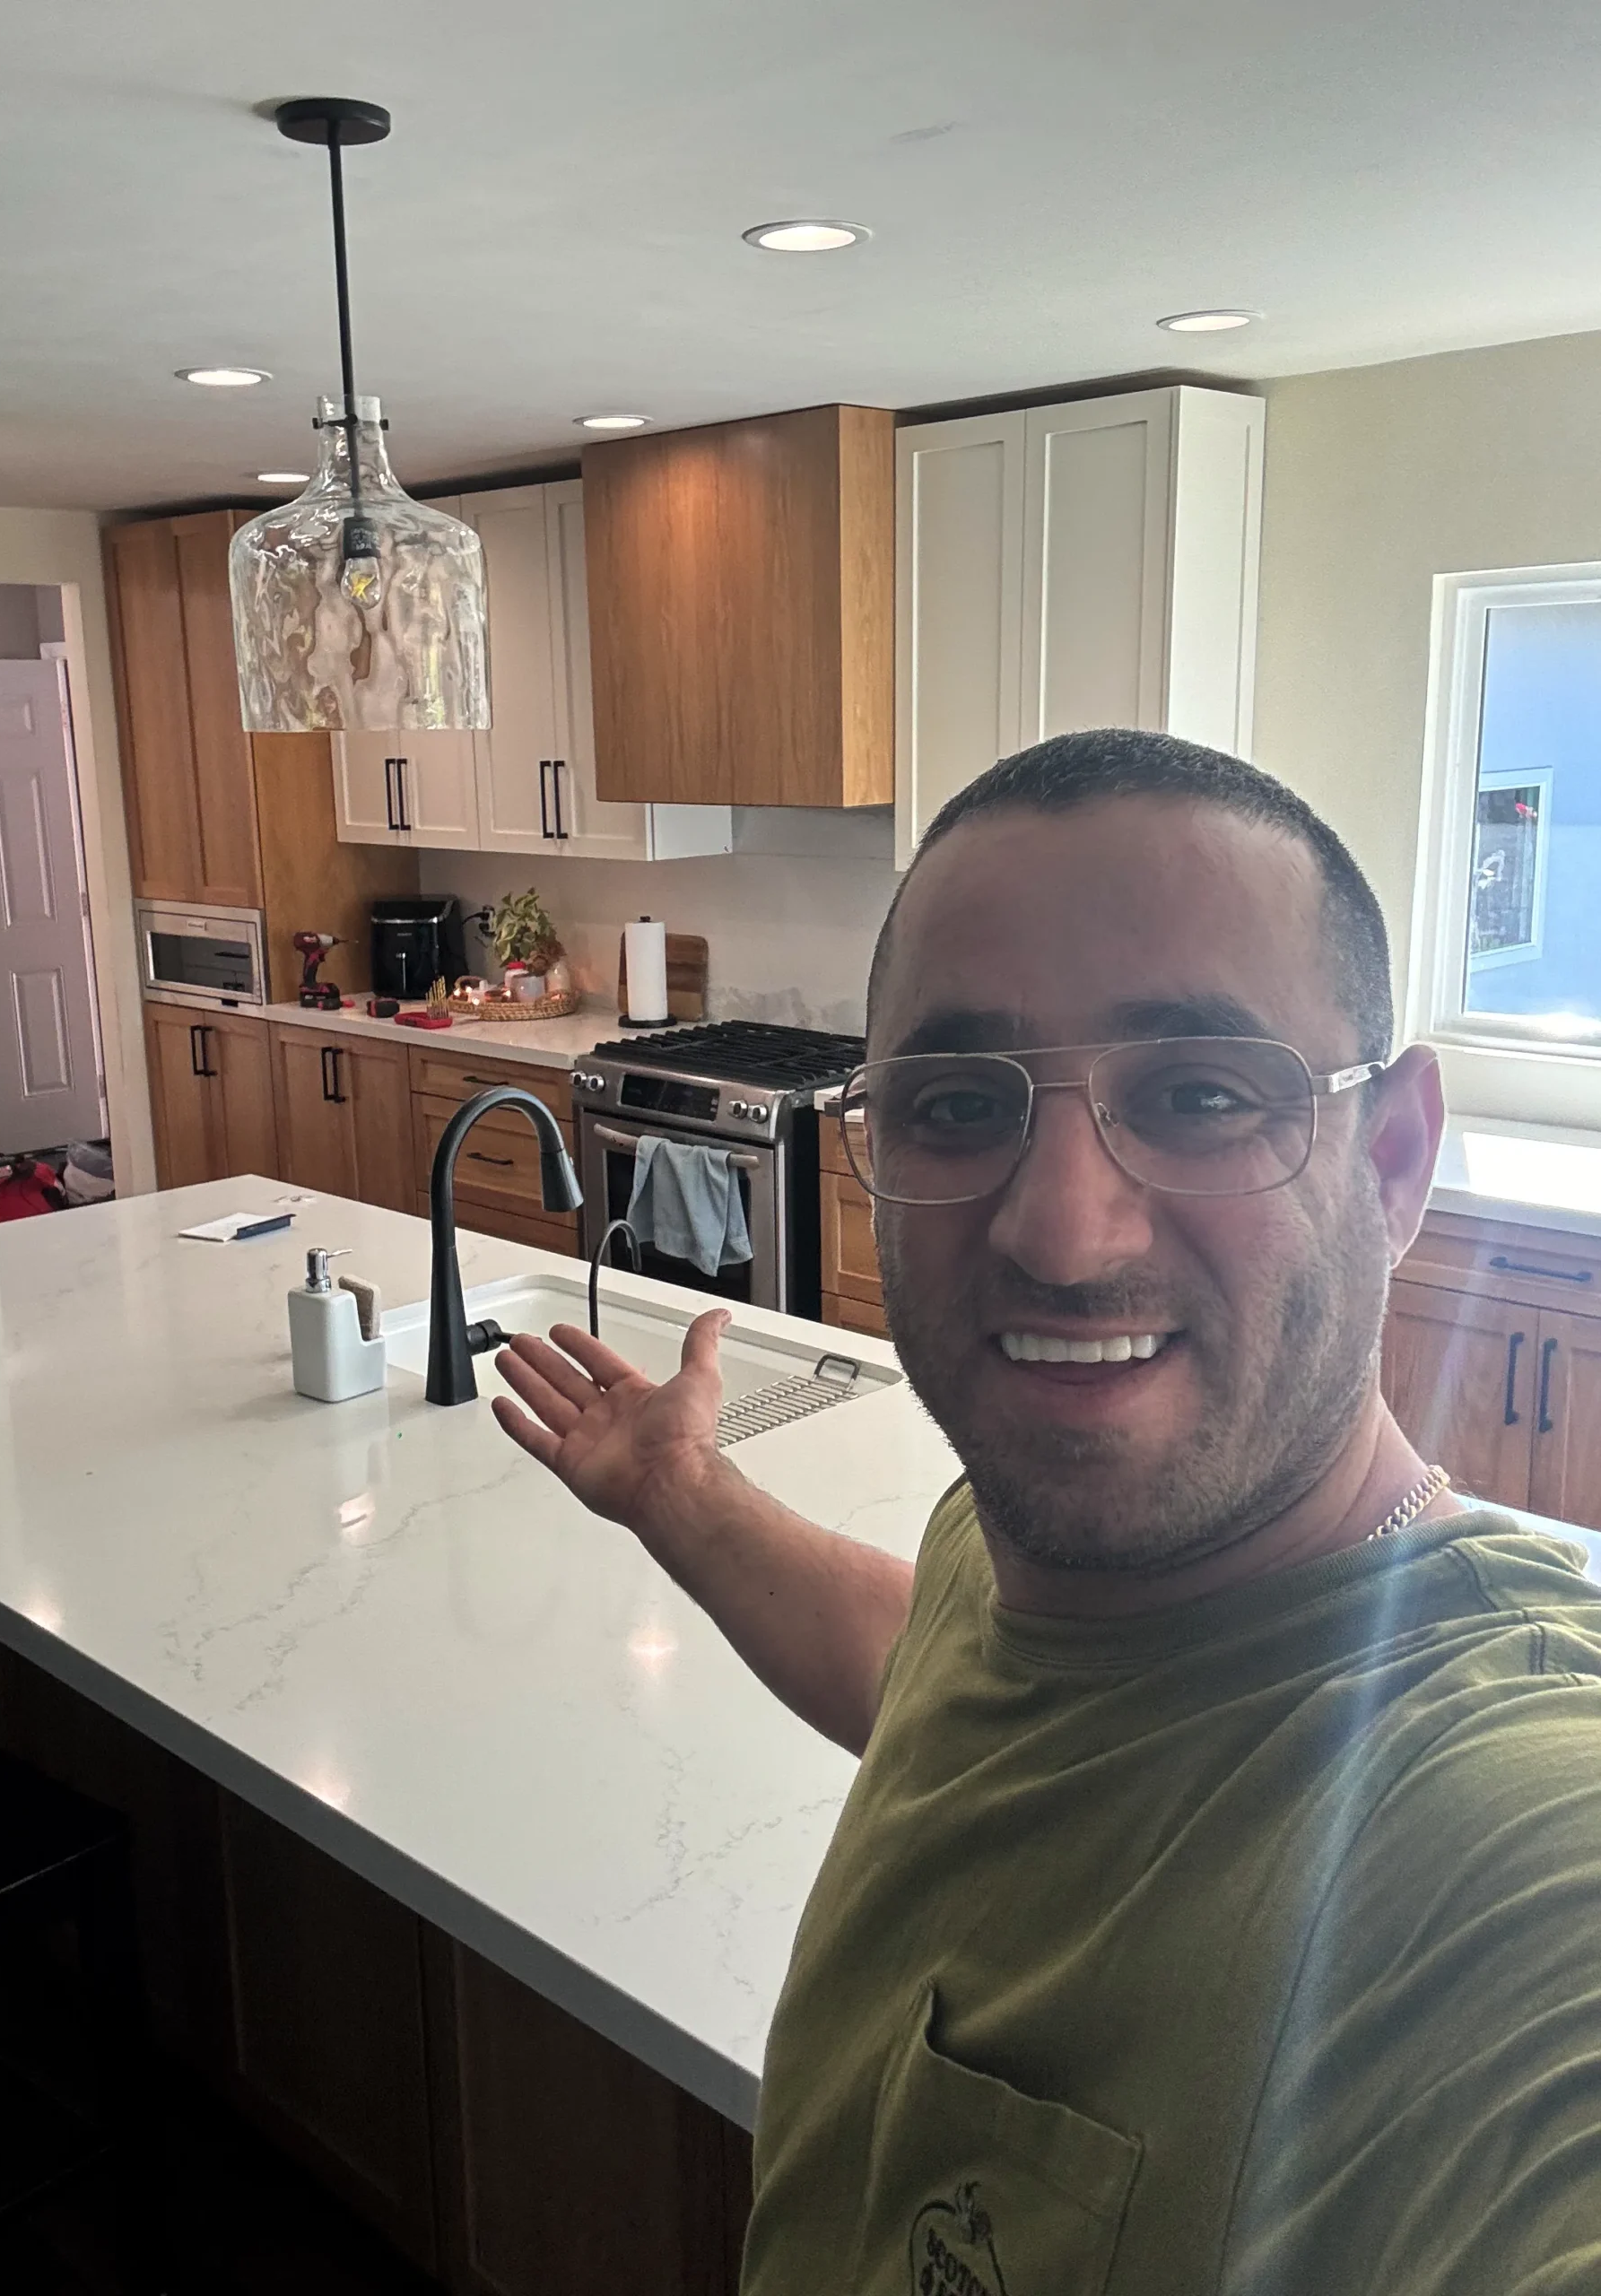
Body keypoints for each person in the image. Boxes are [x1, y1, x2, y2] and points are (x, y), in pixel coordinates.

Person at [492, 729, 1601, 2295]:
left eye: (1200, 1094)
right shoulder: (1013, 1547)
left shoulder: (1506, 1840)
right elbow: (946, 1683)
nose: (1066, 1235)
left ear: (1396, 1159)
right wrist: (683, 1494)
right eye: (958, 1104)